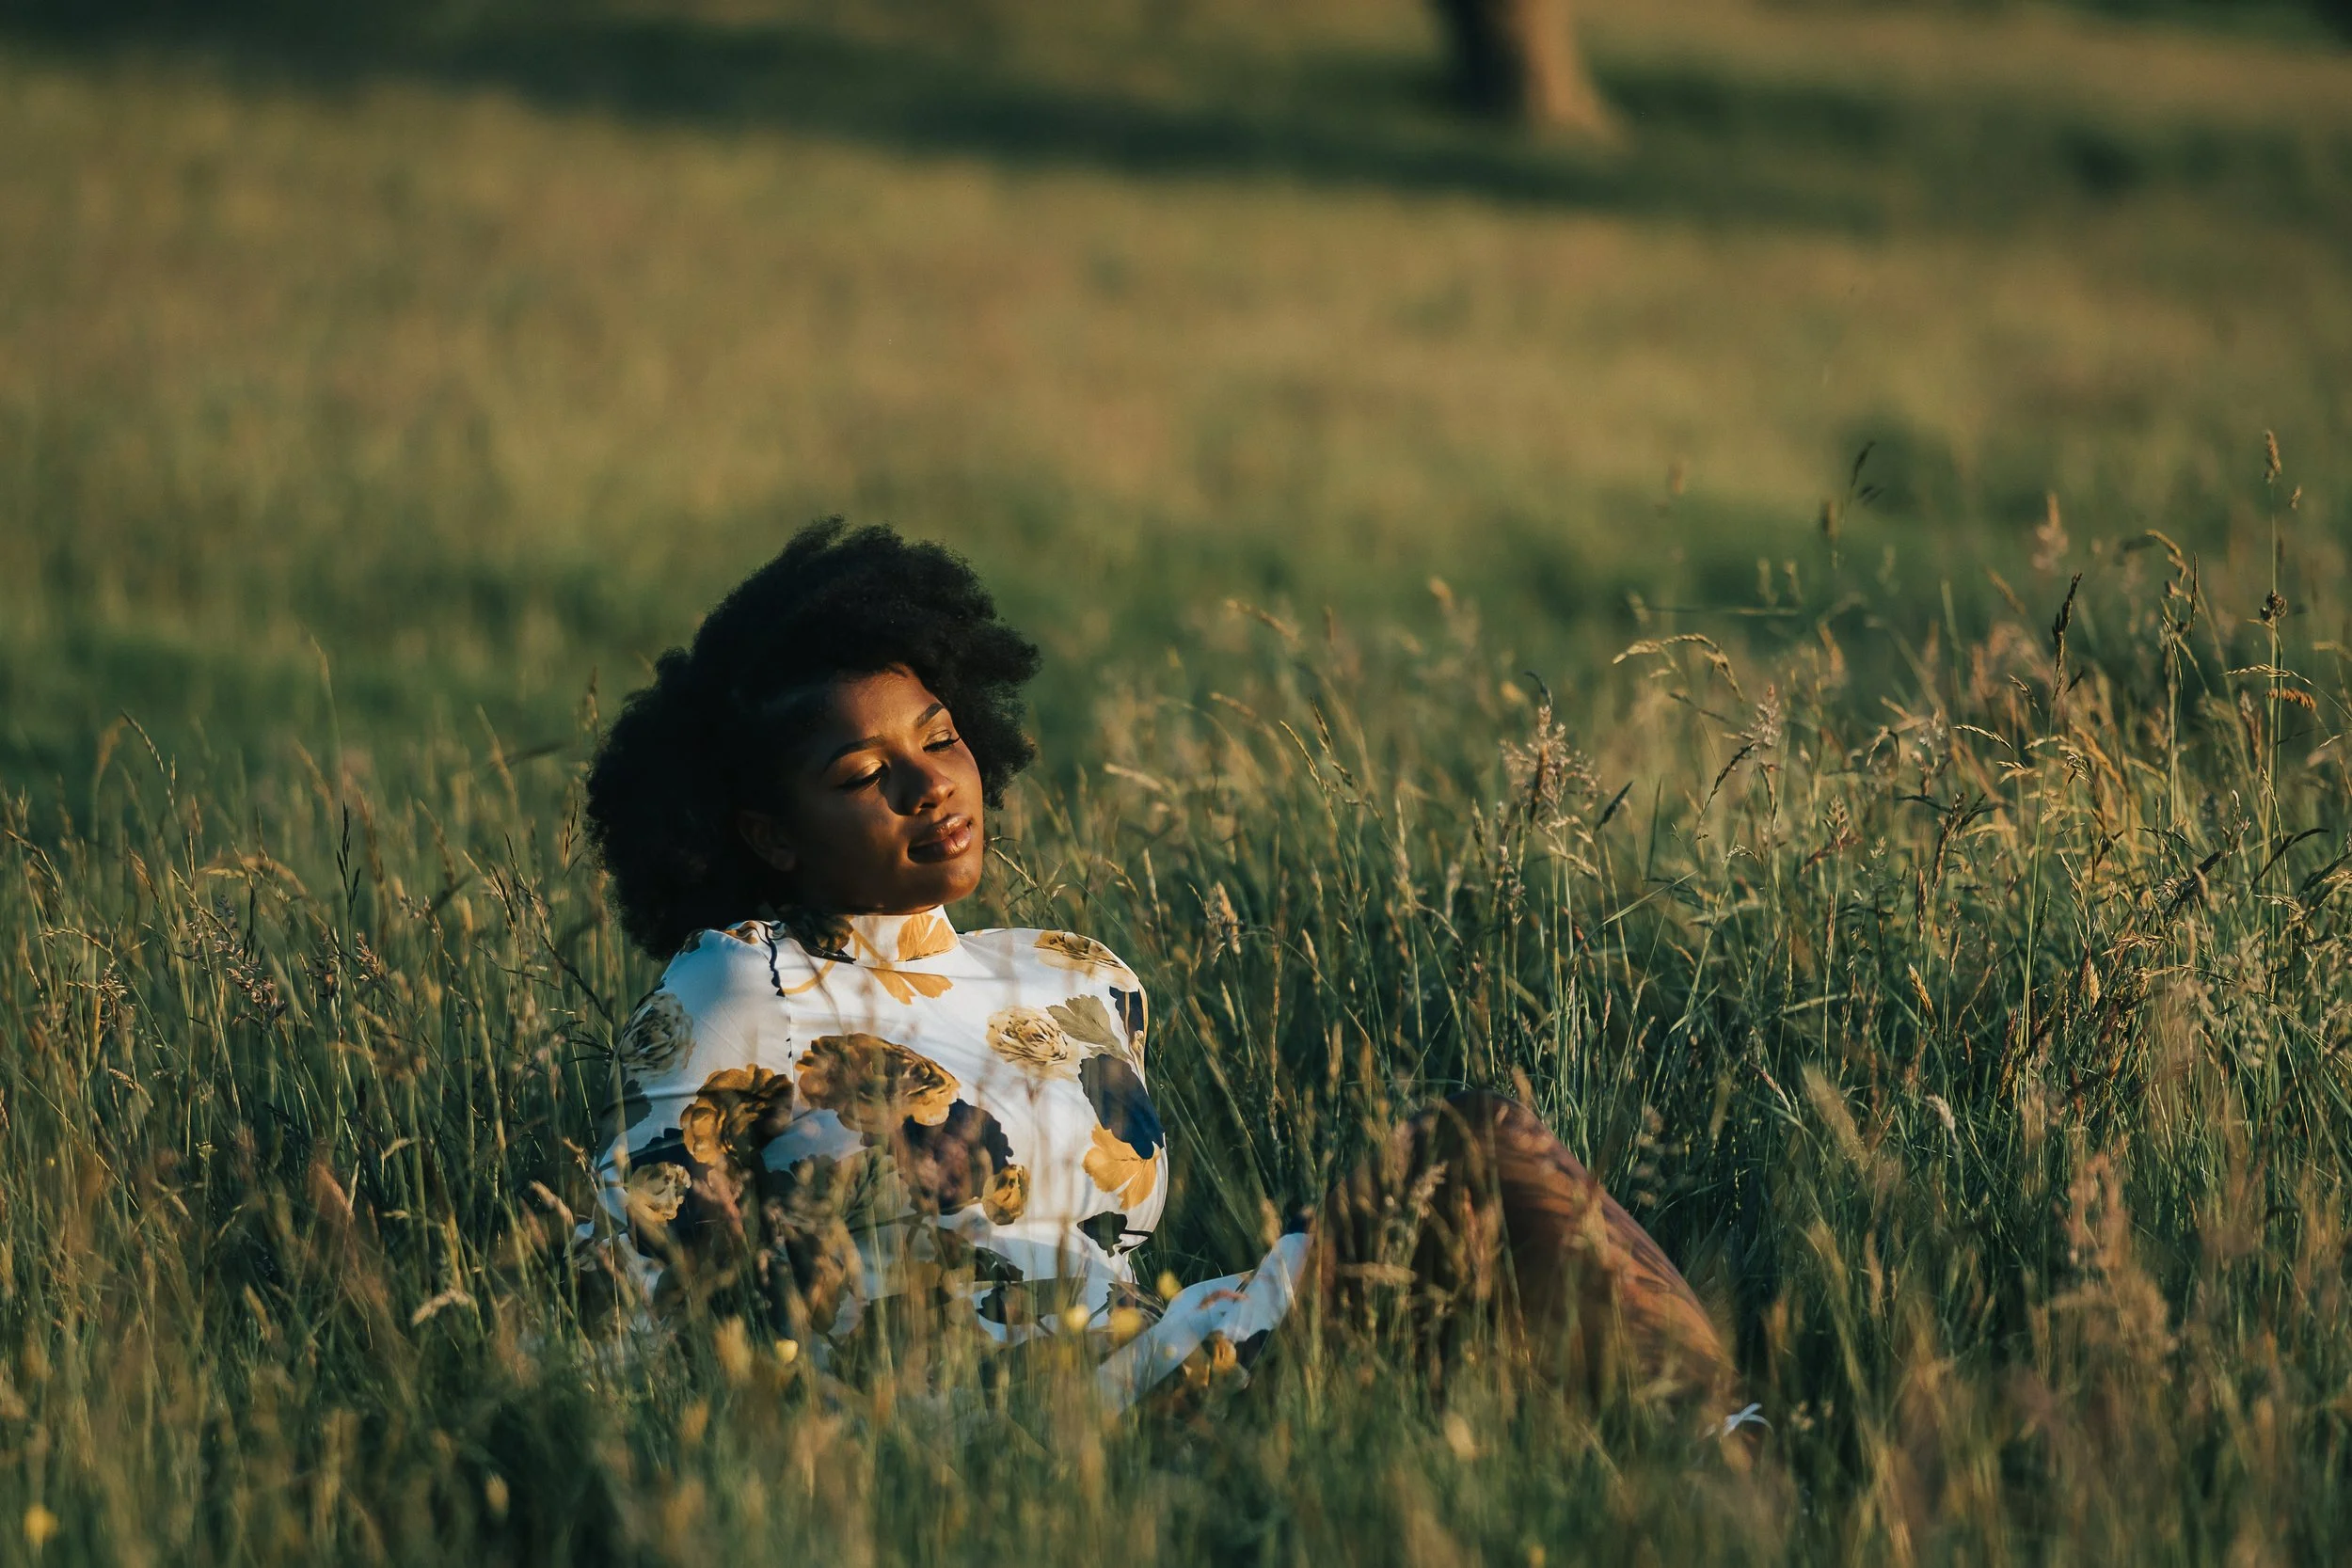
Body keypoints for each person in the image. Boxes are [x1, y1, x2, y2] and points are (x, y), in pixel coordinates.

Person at [582, 520, 1738, 1419]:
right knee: (1477, 1144)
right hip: (999, 1422)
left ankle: (1722, 1459)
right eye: (860, 773)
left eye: (938, 736)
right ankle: (1743, 1453)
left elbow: (1107, 1252)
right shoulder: (747, 985)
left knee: (1494, 1215)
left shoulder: (1078, 977)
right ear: (771, 835)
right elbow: (631, 1278)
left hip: (1163, 1361)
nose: (929, 784)